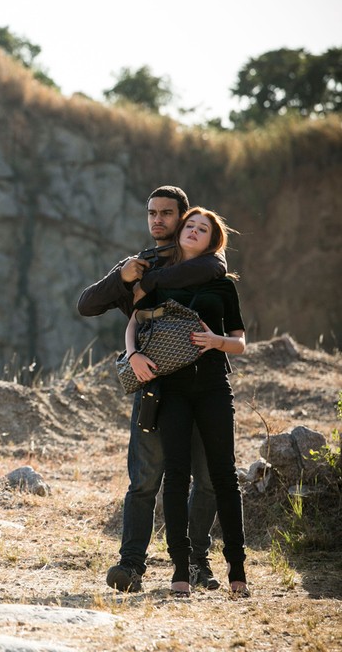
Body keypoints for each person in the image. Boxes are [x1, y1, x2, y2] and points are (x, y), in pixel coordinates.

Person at [77, 186, 225, 593]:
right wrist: (122, 278)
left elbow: (209, 270)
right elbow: (87, 305)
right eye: (151, 213)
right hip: (155, 389)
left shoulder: (205, 256)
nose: (158, 219)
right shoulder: (137, 264)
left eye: (166, 213)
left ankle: (197, 563)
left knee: (207, 480)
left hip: (202, 387)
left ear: (184, 217)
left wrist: (148, 281)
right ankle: (131, 566)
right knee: (144, 482)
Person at [125, 207, 249, 597]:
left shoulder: (223, 285)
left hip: (214, 386)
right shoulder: (161, 281)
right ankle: (180, 571)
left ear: (213, 241)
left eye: (203, 229)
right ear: (180, 233)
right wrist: (133, 356)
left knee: (223, 477)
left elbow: (241, 342)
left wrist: (218, 342)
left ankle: (237, 572)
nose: (194, 231)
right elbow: (134, 321)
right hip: (172, 389)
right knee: (176, 476)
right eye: (190, 226)